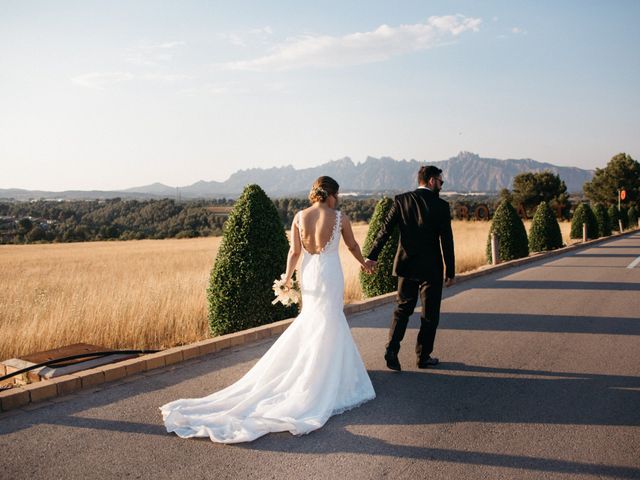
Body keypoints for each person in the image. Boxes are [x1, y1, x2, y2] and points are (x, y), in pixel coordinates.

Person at [160, 176, 376, 443]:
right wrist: (364, 262)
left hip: (309, 274)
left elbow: (294, 253)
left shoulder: (299, 216)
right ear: (332, 194)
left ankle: (311, 367)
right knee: (330, 319)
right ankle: (324, 375)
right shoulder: (340, 218)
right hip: (330, 273)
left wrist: (287, 279)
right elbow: (353, 246)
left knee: (312, 319)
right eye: (338, 195)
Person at [365, 166, 455, 371]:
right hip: (431, 268)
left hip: (406, 266)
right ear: (432, 181)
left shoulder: (401, 200)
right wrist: (450, 271)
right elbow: (447, 241)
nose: (441, 186)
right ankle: (423, 357)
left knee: (402, 310)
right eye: (441, 182)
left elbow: (384, 231)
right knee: (430, 314)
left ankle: (391, 350)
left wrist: (372, 256)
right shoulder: (441, 206)